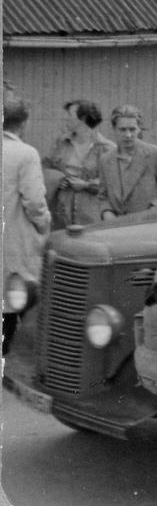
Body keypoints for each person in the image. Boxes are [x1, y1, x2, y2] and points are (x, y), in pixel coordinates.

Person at [2, 98, 52, 356]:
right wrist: (44, 224)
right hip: (13, 239)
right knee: (15, 296)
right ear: (24, 122)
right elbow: (34, 202)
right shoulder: (25, 154)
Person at [97, 106, 157, 220]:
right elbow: (103, 196)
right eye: (122, 129)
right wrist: (106, 212)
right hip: (115, 228)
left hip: (147, 227)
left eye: (132, 129)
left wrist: (154, 209)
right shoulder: (105, 160)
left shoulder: (156, 154)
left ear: (139, 129)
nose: (128, 135)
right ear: (114, 129)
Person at [43, 99, 114, 228]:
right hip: (61, 210)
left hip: (92, 213)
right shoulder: (61, 141)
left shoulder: (107, 148)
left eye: (70, 115)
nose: (66, 119)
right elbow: (46, 167)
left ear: (84, 118)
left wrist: (87, 185)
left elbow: (113, 183)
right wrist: (57, 179)